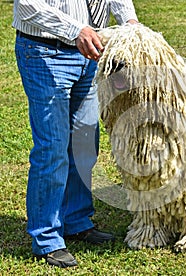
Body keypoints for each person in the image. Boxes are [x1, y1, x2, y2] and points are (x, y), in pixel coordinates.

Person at [13, 0, 138, 268]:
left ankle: (76, 222)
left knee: (84, 145)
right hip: (45, 52)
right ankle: (47, 238)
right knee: (53, 149)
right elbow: (25, 5)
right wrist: (76, 30)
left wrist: (129, 21)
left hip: (90, 56)